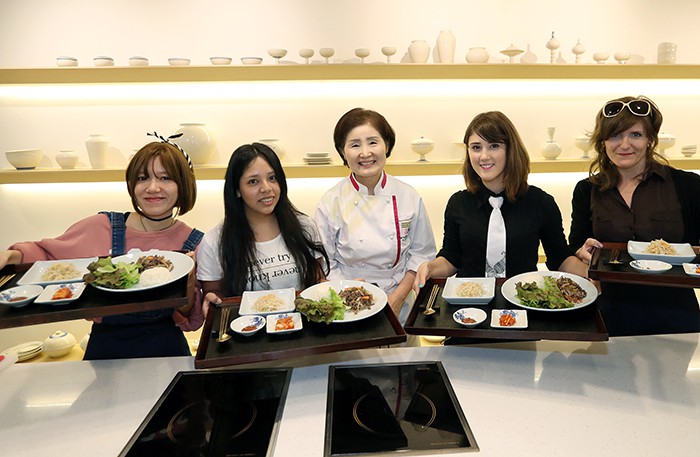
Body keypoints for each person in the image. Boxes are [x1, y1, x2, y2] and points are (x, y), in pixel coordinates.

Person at [0, 133, 205, 359]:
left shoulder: (194, 243)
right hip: (104, 349)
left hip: (166, 350)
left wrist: (190, 277)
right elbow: (47, 256)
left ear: (183, 185)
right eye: (142, 178)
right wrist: (12, 256)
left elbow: (189, 319)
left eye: (165, 178)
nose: (152, 187)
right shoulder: (102, 226)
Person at [569, 95, 700, 335]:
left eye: (635, 135)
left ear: (650, 139)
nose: (625, 144)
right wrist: (581, 251)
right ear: (603, 141)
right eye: (615, 135)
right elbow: (576, 245)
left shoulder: (688, 186)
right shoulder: (587, 190)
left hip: (677, 317)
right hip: (609, 314)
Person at [414, 111, 587, 291]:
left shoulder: (541, 202)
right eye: (476, 147)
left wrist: (591, 272)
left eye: (494, 146)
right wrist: (430, 268)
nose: (484, 156)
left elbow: (559, 258)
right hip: (469, 306)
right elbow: (451, 258)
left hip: (522, 303)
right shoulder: (458, 203)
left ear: (511, 150)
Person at [314, 108, 437, 323]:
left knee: (403, 355)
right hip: (347, 303)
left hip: (400, 297)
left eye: (373, 142)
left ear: (386, 145)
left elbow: (421, 255)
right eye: (354, 145)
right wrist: (347, 291)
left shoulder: (408, 196)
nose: (365, 153)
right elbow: (324, 263)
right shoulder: (330, 202)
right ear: (343, 152)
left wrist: (397, 298)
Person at [197, 143, 328, 305]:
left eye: (272, 178)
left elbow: (317, 280)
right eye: (253, 181)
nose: (266, 188)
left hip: (302, 325)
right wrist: (211, 298)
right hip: (248, 327)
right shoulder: (214, 241)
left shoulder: (304, 226)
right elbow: (213, 292)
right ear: (237, 190)